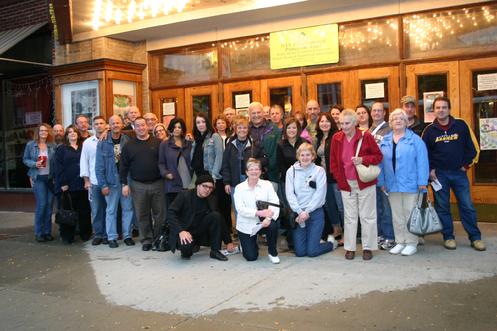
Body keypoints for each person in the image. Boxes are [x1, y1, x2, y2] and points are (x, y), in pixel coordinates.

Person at [422, 96, 485, 251]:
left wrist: (466, 165)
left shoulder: (461, 125)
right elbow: (424, 154)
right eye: (438, 108)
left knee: (467, 205)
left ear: (449, 109)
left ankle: (475, 238)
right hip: (439, 176)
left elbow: (473, 148)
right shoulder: (429, 131)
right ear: (434, 110)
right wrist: (430, 170)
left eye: (444, 107)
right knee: (442, 206)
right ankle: (448, 237)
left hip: (458, 173)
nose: (441, 110)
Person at [330, 109, 383, 260]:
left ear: (355, 123)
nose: (344, 126)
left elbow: (378, 156)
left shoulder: (365, 136)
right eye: (341, 123)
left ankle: (368, 247)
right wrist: (340, 180)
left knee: (367, 216)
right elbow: (333, 162)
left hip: (365, 182)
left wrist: (363, 160)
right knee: (350, 217)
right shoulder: (336, 138)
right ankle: (350, 247)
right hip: (346, 183)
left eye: (347, 123)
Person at [378, 109, 429, 256]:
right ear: (391, 123)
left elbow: (422, 162)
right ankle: (400, 241)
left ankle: (411, 243)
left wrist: (422, 181)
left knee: (410, 214)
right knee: (397, 215)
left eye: (401, 118)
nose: (398, 121)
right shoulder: (385, 141)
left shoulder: (415, 140)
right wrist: (381, 182)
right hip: (391, 184)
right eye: (394, 119)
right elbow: (380, 164)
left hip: (411, 184)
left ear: (406, 122)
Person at [120, 117, 165, 251]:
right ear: (134, 128)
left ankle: (158, 239)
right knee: (142, 214)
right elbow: (123, 166)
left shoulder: (158, 143)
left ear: (147, 126)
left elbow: (165, 161)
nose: (141, 128)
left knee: (160, 214)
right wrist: (124, 184)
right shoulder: (129, 146)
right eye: (137, 126)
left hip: (158, 183)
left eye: (143, 125)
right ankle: (146, 240)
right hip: (138, 185)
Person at [286, 143, 334, 257]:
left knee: (312, 252)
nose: (305, 158)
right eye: (302, 155)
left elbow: (320, 194)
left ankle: (331, 243)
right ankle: (313, 241)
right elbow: (289, 194)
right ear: (298, 157)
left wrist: (307, 211)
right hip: (299, 215)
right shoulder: (291, 171)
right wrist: (300, 211)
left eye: (308, 155)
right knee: (300, 252)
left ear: (313, 156)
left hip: (315, 213)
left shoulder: (319, 171)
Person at [167, 174, 229, 261]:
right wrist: (180, 231)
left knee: (216, 215)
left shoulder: (212, 199)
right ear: (198, 185)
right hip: (185, 231)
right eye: (205, 186)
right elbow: (171, 212)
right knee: (186, 251)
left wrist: (228, 241)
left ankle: (215, 251)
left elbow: (220, 219)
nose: (207, 190)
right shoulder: (184, 195)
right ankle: (190, 247)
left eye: (210, 188)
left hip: (201, 231)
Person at [95, 115, 135, 248]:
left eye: (118, 123)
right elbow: (99, 166)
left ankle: (127, 235)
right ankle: (112, 237)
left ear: (122, 124)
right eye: (113, 123)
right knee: (111, 210)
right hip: (110, 182)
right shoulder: (103, 142)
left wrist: (128, 183)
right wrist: (103, 185)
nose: (116, 125)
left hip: (126, 181)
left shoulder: (127, 139)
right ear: (109, 126)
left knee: (128, 209)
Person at [233, 158, 280, 263]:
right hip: (247, 225)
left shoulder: (267, 185)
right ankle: (247, 245)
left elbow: (275, 203)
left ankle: (272, 252)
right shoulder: (239, 188)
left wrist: (268, 218)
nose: (254, 171)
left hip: (264, 222)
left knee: (272, 225)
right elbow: (240, 209)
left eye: (257, 169)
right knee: (251, 257)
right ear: (246, 172)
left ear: (260, 171)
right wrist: (258, 212)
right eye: (251, 169)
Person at [54, 125, 92, 244]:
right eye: (69, 132)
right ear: (66, 135)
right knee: (68, 211)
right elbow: (58, 167)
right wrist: (63, 183)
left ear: (78, 134)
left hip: (82, 184)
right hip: (68, 185)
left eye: (74, 132)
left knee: (84, 211)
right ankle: (67, 236)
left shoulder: (83, 147)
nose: (72, 133)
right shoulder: (62, 149)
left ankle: (85, 234)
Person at [23, 123, 56, 242]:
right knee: (41, 205)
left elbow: (56, 162)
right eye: (41, 131)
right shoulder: (31, 145)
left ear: (48, 133)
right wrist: (34, 164)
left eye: (46, 131)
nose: (44, 133)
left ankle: (47, 232)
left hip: (50, 178)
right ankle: (38, 232)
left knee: (49, 206)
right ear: (38, 132)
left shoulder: (52, 145)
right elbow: (25, 159)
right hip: (38, 178)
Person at [369, 101, 395, 250]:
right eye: (374, 111)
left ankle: (390, 236)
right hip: (371, 174)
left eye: (379, 111)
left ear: (384, 113)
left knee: (386, 207)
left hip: (385, 174)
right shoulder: (368, 130)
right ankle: (379, 235)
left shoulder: (389, 129)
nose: (377, 113)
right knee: (376, 207)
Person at [222, 117, 267, 202]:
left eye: (245, 128)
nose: (242, 130)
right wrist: (227, 182)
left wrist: (255, 161)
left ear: (248, 129)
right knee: (237, 209)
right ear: (235, 129)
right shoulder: (230, 145)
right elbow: (225, 164)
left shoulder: (255, 143)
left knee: (252, 207)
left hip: (251, 182)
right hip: (234, 182)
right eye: (239, 128)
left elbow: (265, 159)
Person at [314, 112, 342, 242]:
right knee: (328, 204)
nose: (324, 124)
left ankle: (347, 231)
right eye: (322, 122)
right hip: (323, 178)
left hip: (335, 177)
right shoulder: (318, 139)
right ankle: (336, 229)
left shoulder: (337, 137)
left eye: (327, 121)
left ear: (332, 123)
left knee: (340, 205)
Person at [80, 116, 108, 246]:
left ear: (106, 125)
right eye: (96, 124)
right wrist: (86, 180)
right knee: (96, 210)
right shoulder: (88, 142)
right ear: (93, 126)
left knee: (109, 209)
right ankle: (98, 234)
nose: (99, 126)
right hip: (94, 181)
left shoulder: (110, 139)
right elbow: (84, 162)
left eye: (101, 123)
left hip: (108, 182)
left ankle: (108, 234)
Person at [159, 117, 192, 205]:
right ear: (171, 128)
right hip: (172, 183)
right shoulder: (165, 144)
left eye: (179, 127)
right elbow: (161, 163)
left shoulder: (189, 143)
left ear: (183, 129)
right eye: (175, 127)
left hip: (188, 183)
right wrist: (166, 173)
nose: (177, 129)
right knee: (173, 212)